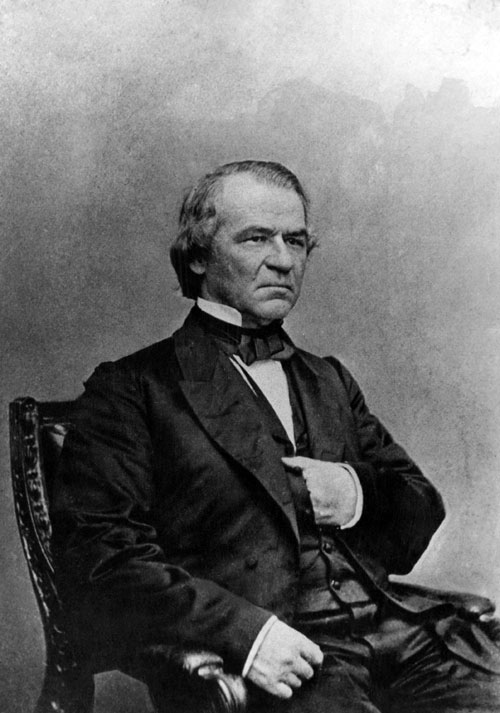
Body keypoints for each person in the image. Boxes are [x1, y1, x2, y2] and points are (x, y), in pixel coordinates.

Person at [52, 160, 500, 712]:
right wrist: (248, 636)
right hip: (285, 654)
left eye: (296, 240)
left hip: (400, 634)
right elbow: (100, 560)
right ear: (198, 256)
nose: (284, 260)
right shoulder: (133, 388)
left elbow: (420, 509)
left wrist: (354, 493)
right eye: (257, 238)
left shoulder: (329, 379)